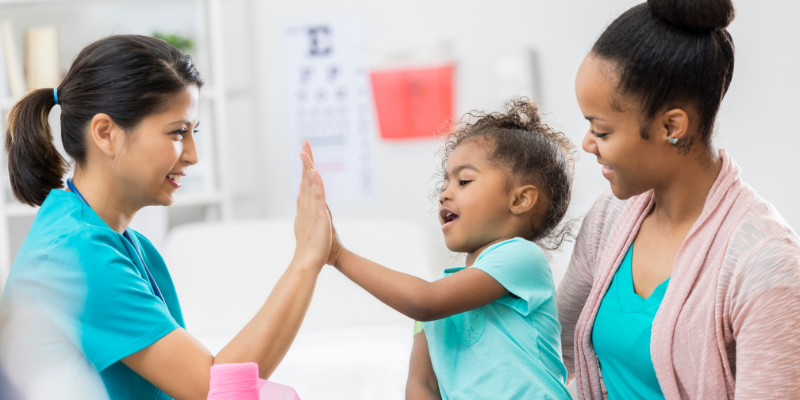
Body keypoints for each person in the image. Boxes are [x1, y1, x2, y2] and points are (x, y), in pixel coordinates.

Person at [0, 35, 333, 400]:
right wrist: (306, 260)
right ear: (106, 133)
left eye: (194, 133)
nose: (192, 155)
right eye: (177, 132)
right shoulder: (73, 254)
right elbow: (214, 389)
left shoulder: (126, 244)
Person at [557, 0, 800, 398]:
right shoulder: (608, 218)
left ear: (672, 126)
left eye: (601, 131)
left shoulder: (764, 261)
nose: (587, 144)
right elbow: (556, 349)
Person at [325, 99, 577, 399]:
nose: (445, 194)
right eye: (444, 184)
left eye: (464, 180)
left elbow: (424, 301)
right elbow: (421, 384)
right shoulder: (437, 300)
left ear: (520, 200)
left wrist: (337, 255)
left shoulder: (521, 257)